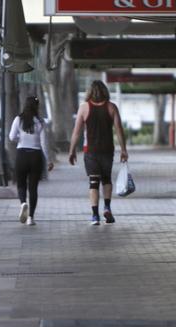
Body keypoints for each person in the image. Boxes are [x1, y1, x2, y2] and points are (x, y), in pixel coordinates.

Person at [68, 80, 128, 226]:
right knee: (106, 179)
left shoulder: (84, 108)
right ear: (105, 91)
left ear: (89, 92)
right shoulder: (111, 107)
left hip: (91, 151)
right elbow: (119, 131)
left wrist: (72, 151)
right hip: (107, 150)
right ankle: (107, 207)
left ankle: (95, 216)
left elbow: (76, 133)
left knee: (94, 182)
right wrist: (124, 150)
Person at [9, 96, 53, 226]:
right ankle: (31, 218)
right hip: (36, 156)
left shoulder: (18, 119)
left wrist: (21, 139)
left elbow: (11, 137)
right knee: (33, 188)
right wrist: (49, 160)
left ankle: (23, 203)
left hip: (22, 154)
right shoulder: (40, 121)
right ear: (37, 106)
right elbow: (44, 143)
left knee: (21, 184)